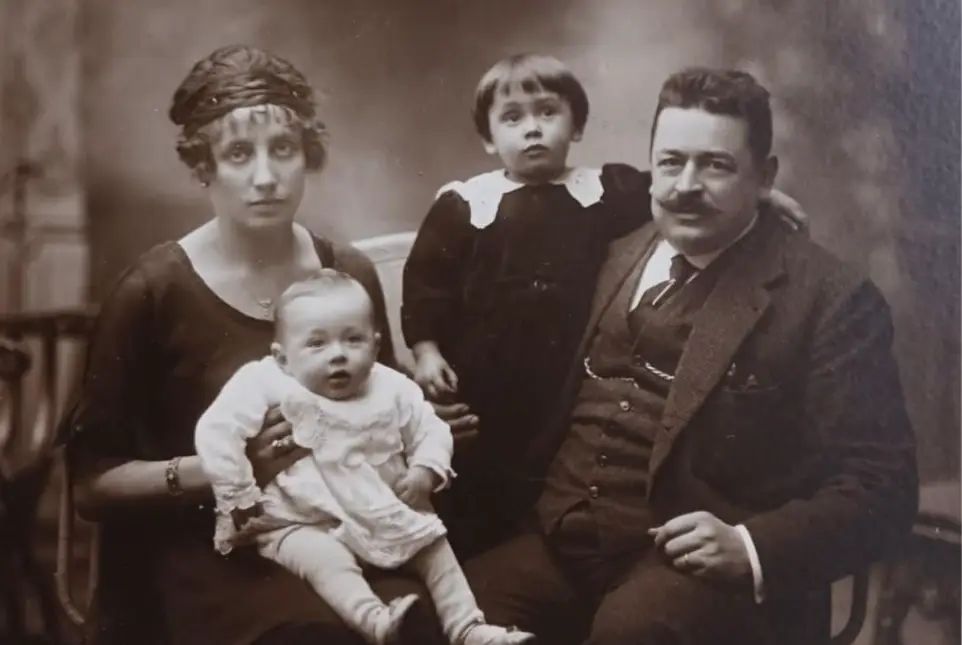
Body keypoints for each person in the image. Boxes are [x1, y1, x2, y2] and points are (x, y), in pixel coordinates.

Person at [464, 68, 918, 645]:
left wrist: (750, 546)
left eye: (717, 166)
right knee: (445, 615)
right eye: (672, 162)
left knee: (632, 633)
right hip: (562, 541)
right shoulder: (613, 249)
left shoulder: (830, 298)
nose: (686, 185)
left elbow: (884, 486)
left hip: (695, 569)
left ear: (766, 177)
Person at [67, 45, 447, 645]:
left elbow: (376, 416)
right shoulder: (152, 291)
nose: (266, 176)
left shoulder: (343, 274)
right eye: (239, 154)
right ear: (203, 168)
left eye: (284, 150)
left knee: (428, 621)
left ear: (307, 157)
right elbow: (90, 486)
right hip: (200, 549)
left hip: (341, 529)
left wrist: (419, 434)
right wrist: (220, 469)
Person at [402, 54, 655, 555]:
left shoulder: (604, 191)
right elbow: (427, 281)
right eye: (513, 118)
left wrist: (760, 200)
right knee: (480, 489)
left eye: (547, 112)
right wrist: (427, 350)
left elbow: (672, 196)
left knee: (556, 481)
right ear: (489, 139)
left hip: (569, 379)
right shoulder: (465, 204)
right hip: (485, 384)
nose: (532, 129)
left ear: (577, 125)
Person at [195, 270, 534, 645]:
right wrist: (237, 490)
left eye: (353, 339)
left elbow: (430, 428)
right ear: (283, 357)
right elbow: (217, 430)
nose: (338, 354)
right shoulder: (266, 382)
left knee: (434, 545)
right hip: (299, 518)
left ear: (375, 346)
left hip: (379, 506)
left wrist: (426, 468)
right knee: (325, 560)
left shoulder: (391, 386)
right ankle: (376, 622)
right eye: (317, 344)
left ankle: (468, 627)